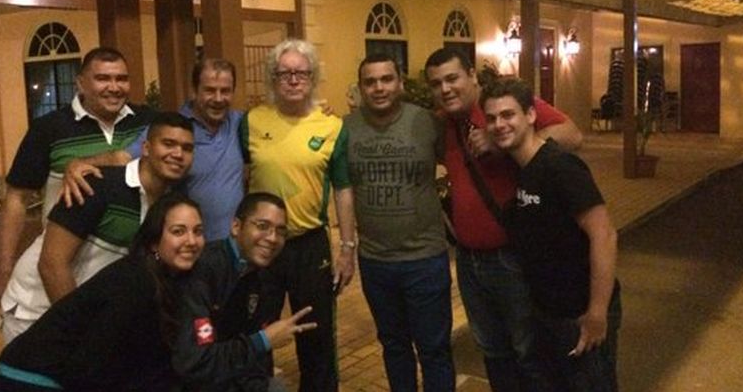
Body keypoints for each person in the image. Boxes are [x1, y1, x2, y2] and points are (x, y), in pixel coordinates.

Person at [424, 48, 583, 391]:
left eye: (452, 78)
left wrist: (504, 143)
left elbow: (571, 134)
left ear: (471, 75)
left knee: (529, 352)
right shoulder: (443, 123)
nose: (445, 89)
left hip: (512, 258)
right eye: (436, 84)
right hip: (469, 261)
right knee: (493, 351)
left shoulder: (500, 105)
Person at [0, 111, 194, 342]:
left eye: (187, 148)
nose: (177, 154)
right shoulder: (95, 185)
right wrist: (82, 332)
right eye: (168, 144)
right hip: (35, 311)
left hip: (87, 314)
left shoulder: (168, 203)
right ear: (146, 148)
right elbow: (51, 264)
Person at [483, 77, 621, 391]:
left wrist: (597, 312)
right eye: (491, 118)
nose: (499, 124)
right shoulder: (522, 170)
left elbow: (604, 235)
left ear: (531, 115)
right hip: (548, 313)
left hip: (579, 313)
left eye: (508, 115)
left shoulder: (560, 167)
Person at [0, 192, 205, 392]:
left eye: (198, 231)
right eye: (178, 231)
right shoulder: (136, 282)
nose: (191, 241)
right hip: (32, 376)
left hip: (67, 375)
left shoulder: (169, 279)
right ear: (154, 242)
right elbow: (91, 367)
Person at [0, 47, 153, 302]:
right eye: (102, 78)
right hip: (62, 267)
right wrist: (3, 267)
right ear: (80, 83)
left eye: (121, 79)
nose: (114, 87)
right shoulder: (49, 128)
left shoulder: (147, 122)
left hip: (126, 268)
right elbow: (17, 199)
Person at [240, 39, 355, 392]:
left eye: (301, 73)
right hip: (261, 246)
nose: (293, 80)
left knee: (316, 338)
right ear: (273, 78)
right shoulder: (251, 121)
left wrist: (347, 248)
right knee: (256, 333)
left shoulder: (332, 126)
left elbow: (343, 189)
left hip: (310, 246)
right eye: (284, 73)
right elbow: (240, 176)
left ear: (313, 77)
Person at [344, 53, 455, 391]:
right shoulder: (345, 128)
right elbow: (341, 186)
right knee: (394, 347)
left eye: (386, 79)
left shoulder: (427, 122)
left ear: (400, 83)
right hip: (375, 261)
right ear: (360, 88)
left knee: (434, 350)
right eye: (370, 82)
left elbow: (462, 164)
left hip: (425, 260)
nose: (379, 88)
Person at [60, 58, 244, 241]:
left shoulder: (240, 124)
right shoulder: (172, 129)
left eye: (225, 91)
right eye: (210, 90)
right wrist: (79, 164)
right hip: (191, 244)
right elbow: (124, 157)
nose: (218, 99)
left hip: (234, 247)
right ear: (194, 91)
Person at [173, 192, 317, 391]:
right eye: (262, 226)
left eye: (281, 231)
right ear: (236, 226)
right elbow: (196, 362)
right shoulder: (204, 270)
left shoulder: (261, 272)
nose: (273, 238)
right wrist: (263, 340)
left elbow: (256, 361)